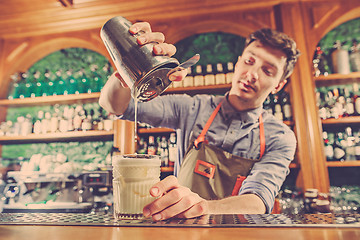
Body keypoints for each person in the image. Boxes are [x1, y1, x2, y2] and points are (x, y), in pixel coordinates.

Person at [99, 21, 301, 221]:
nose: (252, 74)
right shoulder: (192, 108)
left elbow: (258, 201)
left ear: (278, 85)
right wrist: (129, 67)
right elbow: (117, 106)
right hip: (181, 232)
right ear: (238, 62)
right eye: (249, 61)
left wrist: (200, 207)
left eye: (267, 71)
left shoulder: (280, 137)